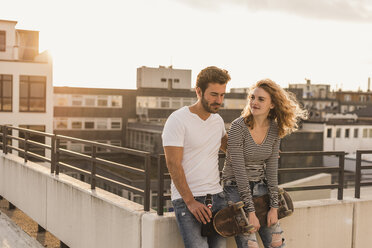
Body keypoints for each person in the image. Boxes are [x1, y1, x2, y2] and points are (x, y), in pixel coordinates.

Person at [222, 79, 307, 248]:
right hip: (235, 189)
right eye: (252, 97)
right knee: (250, 244)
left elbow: (272, 171)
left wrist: (274, 208)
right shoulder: (238, 127)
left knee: (277, 243)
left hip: (261, 188)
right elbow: (239, 171)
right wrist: (251, 212)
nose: (254, 102)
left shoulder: (275, 129)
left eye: (261, 99)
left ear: (273, 104)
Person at [162, 66, 231, 248]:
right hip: (188, 201)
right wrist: (190, 202)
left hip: (217, 197)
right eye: (214, 94)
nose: (219, 100)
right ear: (198, 91)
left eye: (222, 95)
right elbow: (173, 164)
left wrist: (264, 148)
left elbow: (231, 148)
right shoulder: (177, 120)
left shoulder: (217, 121)